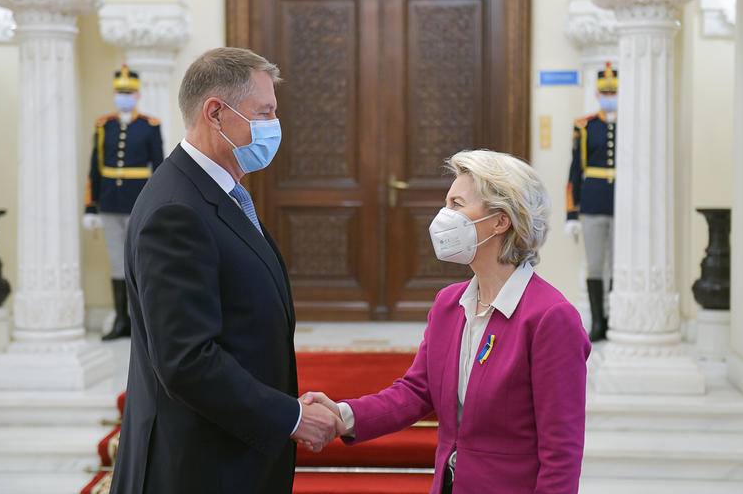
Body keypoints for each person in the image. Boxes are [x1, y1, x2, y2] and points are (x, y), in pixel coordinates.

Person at [109, 47, 342, 494]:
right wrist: (289, 417)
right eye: (264, 112)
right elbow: (187, 360)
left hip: (227, 452)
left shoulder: (214, 192)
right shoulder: (177, 210)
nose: (274, 126)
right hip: (198, 466)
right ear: (216, 113)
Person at [302, 150, 592, 494]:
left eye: (457, 204)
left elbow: (561, 452)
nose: (444, 216)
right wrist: (342, 415)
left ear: (501, 221)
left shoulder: (550, 318)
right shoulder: (449, 304)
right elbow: (416, 392)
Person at [82, 65, 165, 340]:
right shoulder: (105, 125)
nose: (124, 96)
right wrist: (90, 206)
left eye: (128, 92)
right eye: (120, 92)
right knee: (117, 262)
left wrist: (158, 205)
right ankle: (121, 320)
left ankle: (141, 321)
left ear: (138, 95)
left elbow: (160, 167)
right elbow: (95, 166)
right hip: (109, 203)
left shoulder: (149, 126)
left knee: (139, 262)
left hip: (137, 202)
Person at [565, 62, 619, 342]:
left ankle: (616, 318)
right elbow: (575, 171)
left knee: (620, 264)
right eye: (605, 92)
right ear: (598, 94)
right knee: (596, 264)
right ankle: (598, 322)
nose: (610, 95)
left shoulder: (628, 126)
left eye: (614, 91)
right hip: (594, 203)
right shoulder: (585, 126)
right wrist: (572, 214)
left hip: (622, 206)